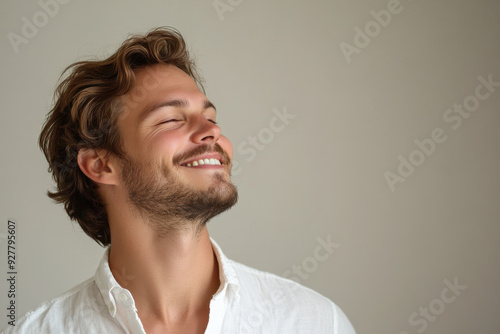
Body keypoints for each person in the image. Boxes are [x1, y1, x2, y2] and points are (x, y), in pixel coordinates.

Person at [1, 27, 356, 334]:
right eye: (171, 119)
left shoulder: (314, 322)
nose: (212, 131)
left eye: (210, 116)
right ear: (100, 164)